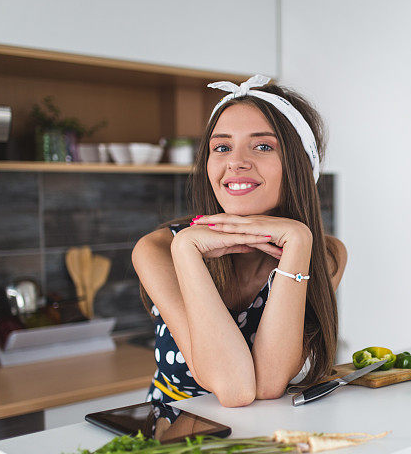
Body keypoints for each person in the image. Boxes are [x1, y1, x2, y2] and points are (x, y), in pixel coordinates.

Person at [132, 75, 347, 409]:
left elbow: (268, 383)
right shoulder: (159, 249)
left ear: (300, 165)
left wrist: (299, 240)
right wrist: (186, 251)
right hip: (174, 437)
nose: (235, 161)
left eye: (262, 146)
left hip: (272, 440)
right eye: (222, 147)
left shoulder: (324, 253)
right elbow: (233, 389)